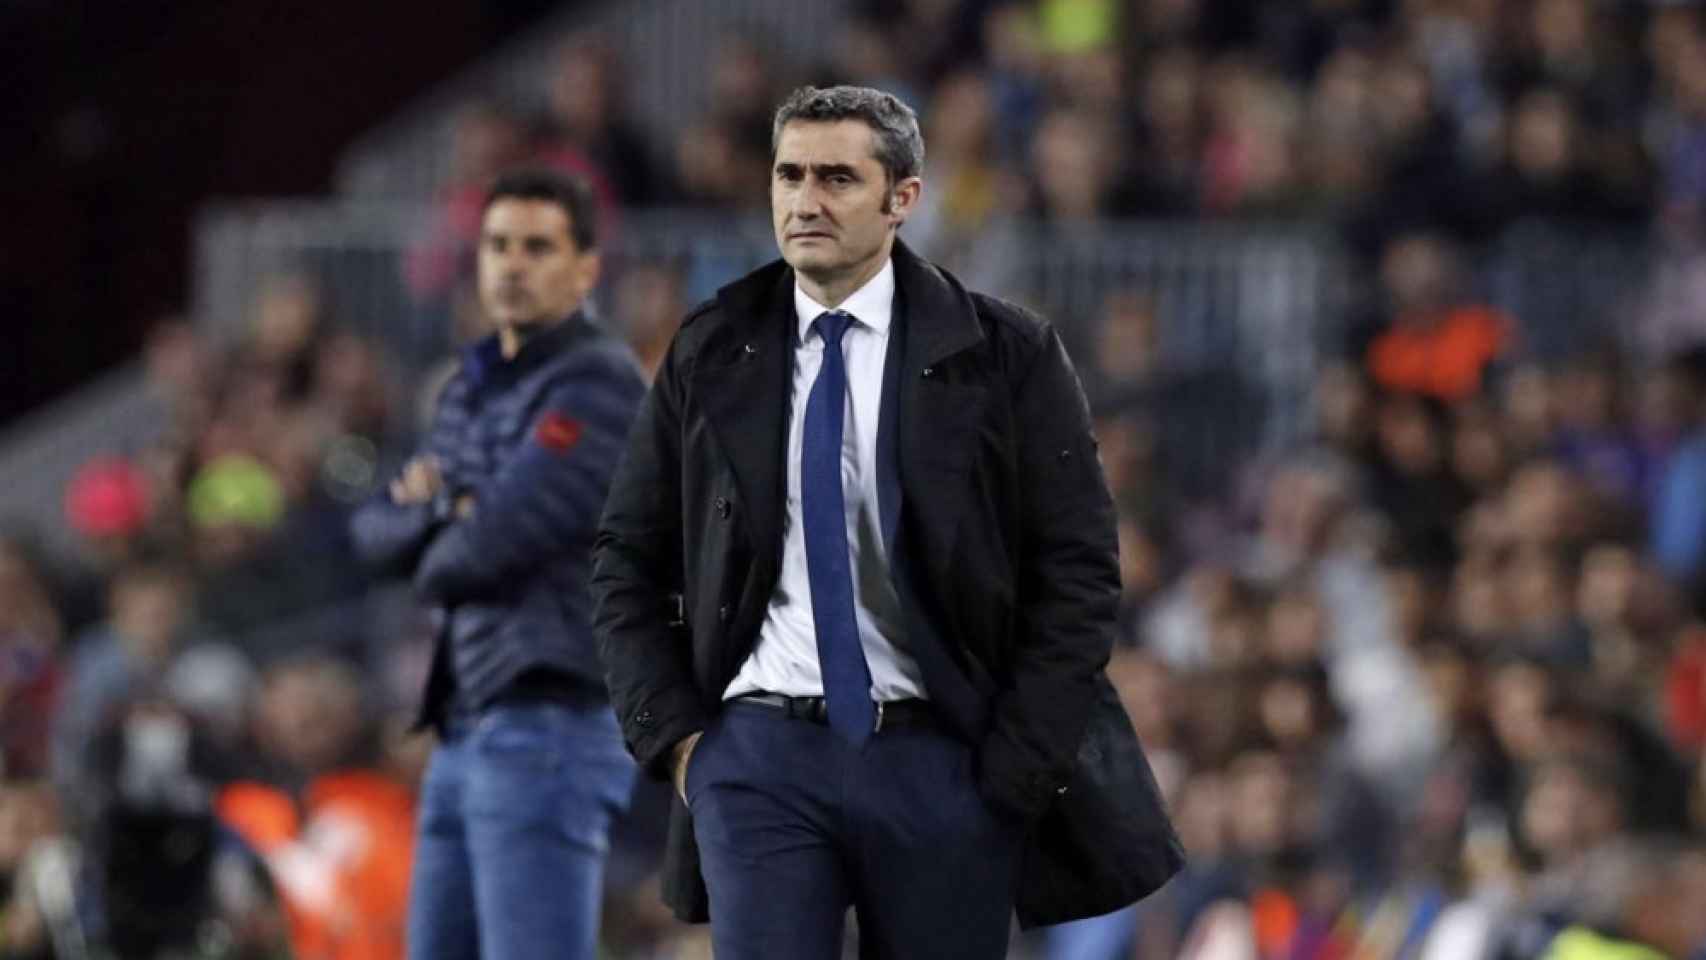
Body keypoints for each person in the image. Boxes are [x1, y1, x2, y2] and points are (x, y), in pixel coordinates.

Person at [592, 85, 1182, 959]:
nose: (805, 200)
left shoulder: (1008, 353)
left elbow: (1080, 572)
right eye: (789, 174)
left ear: (903, 198)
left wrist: (1015, 768)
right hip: (759, 759)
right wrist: (680, 744)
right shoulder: (712, 348)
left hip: (944, 760)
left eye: (837, 177)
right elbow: (624, 557)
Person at [350, 169, 646, 960]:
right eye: (498, 245)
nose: (512, 264)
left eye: (538, 247)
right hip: (462, 729)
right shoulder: (468, 390)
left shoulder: (599, 385)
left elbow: (481, 553)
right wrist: (454, 510)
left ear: (586, 267)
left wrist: (439, 513)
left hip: (548, 722)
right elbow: (372, 533)